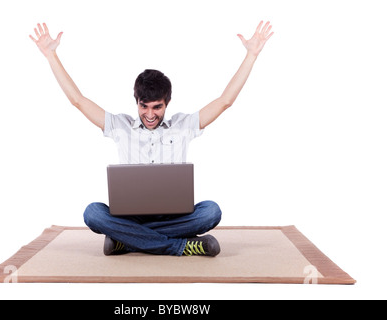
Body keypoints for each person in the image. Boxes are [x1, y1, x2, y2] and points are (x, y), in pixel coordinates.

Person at [30, 21, 273, 257]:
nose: (149, 114)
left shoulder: (183, 126)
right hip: (130, 216)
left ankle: (126, 241)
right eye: (143, 106)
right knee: (93, 213)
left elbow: (224, 101)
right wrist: (51, 56)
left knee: (211, 211)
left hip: (175, 217)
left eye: (157, 107)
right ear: (136, 101)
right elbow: (78, 101)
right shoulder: (120, 126)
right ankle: (179, 247)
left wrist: (251, 55)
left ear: (167, 103)